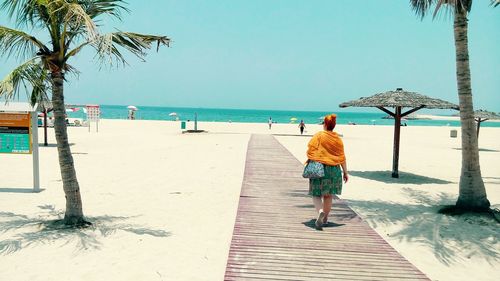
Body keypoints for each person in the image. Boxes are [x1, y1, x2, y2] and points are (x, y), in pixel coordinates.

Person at [306, 114, 348, 230]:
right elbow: (342, 157)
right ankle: (325, 219)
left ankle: (320, 211)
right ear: (334, 125)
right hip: (334, 169)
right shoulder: (338, 139)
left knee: (316, 193)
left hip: (319, 167)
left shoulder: (319, 135)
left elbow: (310, 149)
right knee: (328, 196)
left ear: (324, 124)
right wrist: (345, 172)